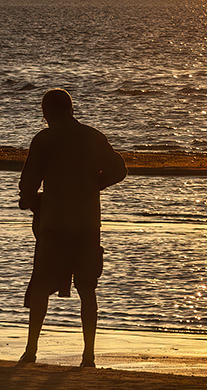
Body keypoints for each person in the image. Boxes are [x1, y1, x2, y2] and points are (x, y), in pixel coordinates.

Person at [18, 89, 126, 367]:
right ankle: (88, 355)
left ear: (46, 113)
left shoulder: (45, 139)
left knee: (41, 287)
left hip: (54, 226)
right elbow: (119, 169)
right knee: (87, 290)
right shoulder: (92, 137)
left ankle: (31, 351)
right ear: (71, 109)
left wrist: (31, 202)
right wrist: (95, 184)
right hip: (87, 225)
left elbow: (28, 182)